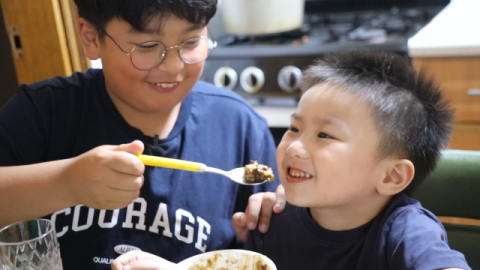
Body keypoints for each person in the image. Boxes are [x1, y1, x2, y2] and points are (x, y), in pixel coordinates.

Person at [110, 51, 472, 270]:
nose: (295, 147)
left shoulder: (406, 232)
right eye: (294, 128)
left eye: (325, 135)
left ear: (392, 176)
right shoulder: (274, 222)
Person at [0, 1, 285, 269]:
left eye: (190, 42)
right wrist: (66, 183)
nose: (173, 66)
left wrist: (283, 218)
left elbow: (276, 245)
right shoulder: (41, 113)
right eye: (148, 45)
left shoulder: (238, 124)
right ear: (90, 37)